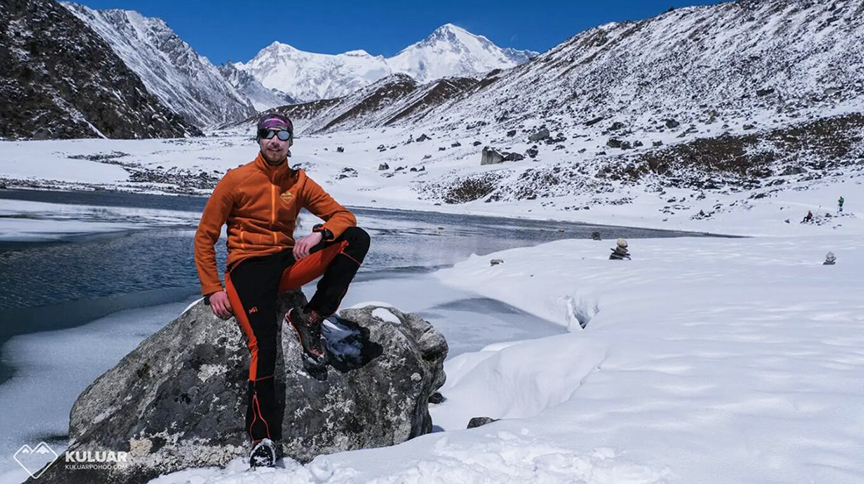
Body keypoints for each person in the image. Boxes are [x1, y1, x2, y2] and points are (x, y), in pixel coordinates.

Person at [193, 113, 370, 468]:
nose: (275, 140)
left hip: (286, 263)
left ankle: (311, 315)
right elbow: (205, 237)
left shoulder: (298, 181)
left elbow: (343, 215)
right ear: (259, 139)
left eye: (282, 135)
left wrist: (320, 234)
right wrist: (213, 288)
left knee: (355, 238)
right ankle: (262, 439)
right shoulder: (235, 180)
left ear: (290, 142)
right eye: (268, 134)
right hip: (247, 267)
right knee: (264, 344)